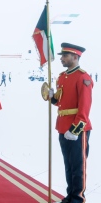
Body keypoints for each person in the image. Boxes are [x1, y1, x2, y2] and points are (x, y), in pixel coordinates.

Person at [49, 43, 92, 203]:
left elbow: (85, 107)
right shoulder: (61, 76)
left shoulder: (83, 77)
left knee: (78, 166)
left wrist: (75, 129)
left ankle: (78, 198)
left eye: (65, 56)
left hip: (77, 129)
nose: (61, 58)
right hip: (62, 126)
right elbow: (61, 102)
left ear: (75, 56)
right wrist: (53, 97)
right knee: (68, 165)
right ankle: (70, 195)